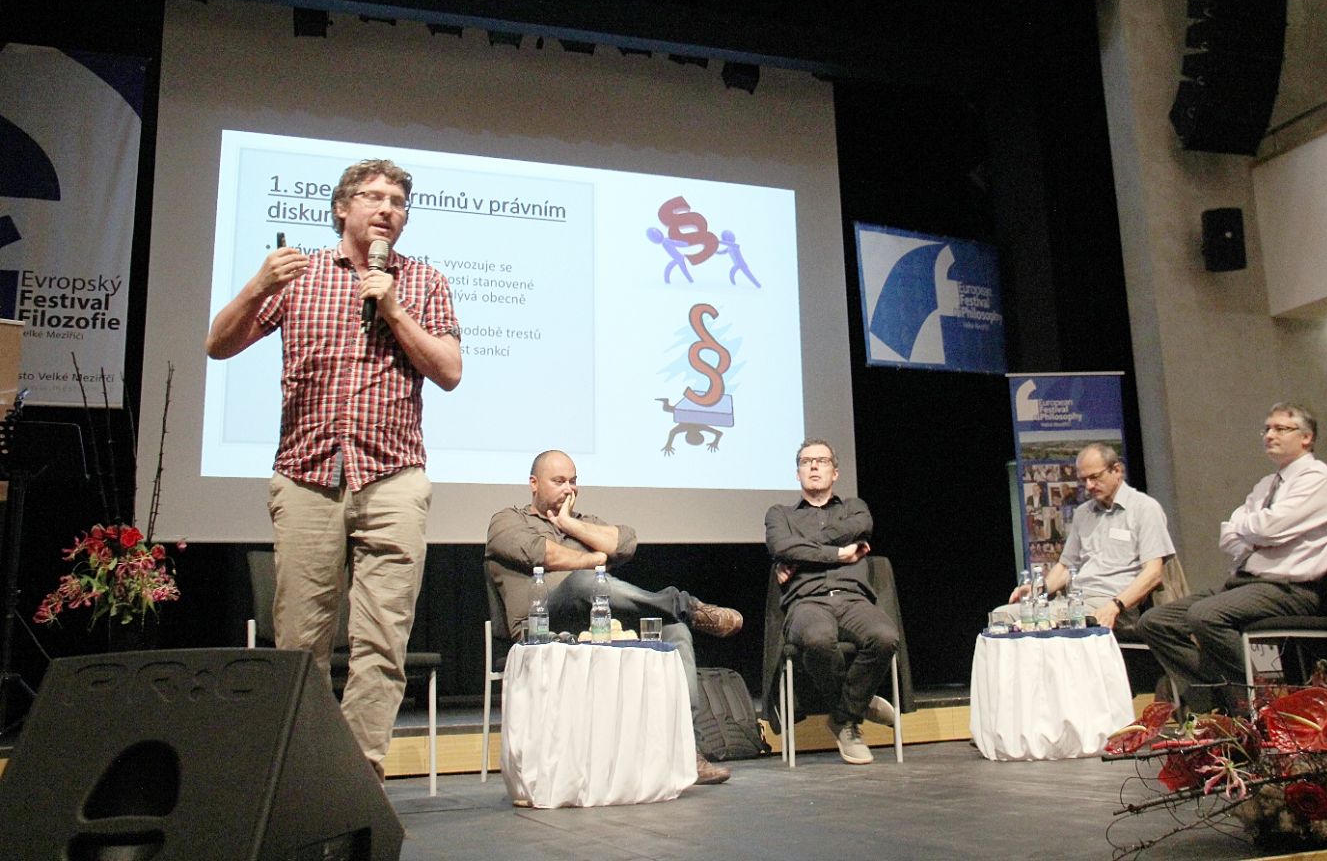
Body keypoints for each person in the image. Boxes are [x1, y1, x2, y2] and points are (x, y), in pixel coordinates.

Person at [205, 158, 462, 777]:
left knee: (383, 639)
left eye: (397, 201)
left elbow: (450, 371)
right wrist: (256, 286)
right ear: (342, 209)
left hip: (393, 476)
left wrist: (394, 309)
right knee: (301, 639)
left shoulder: (424, 280)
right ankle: (305, 771)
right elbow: (218, 344)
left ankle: (356, 774)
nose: (387, 209)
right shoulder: (300, 275)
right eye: (373, 197)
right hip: (307, 474)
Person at [486, 449, 744, 785]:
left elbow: (625, 542)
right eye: (559, 481)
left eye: (573, 481)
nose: (568, 489)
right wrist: (593, 559)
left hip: (600, 627)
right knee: (584, 581)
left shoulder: (583, 523)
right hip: (540, 627)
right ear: (534, 483)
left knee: (674, 630)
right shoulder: (508, 520)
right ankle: (687, 605)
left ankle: (688, 749)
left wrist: (569, 523)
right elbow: (542, 553)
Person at [1138, 403, 1327, 714]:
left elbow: (1269, 527)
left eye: (1280, 429)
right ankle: (1220, 696)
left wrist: (1250, 529)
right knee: (1156, 622)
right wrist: (1254, 531)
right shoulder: (1266, 485)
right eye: (1267, 429)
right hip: (1246, 584)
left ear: (1307, 438)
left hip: (1291, 589)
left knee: (1205, 615)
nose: (1269, 435)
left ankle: (1259, 703)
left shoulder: (1318, 479)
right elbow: (1229, 535)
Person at [765, 439, 898, 765]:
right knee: (817, 639)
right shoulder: (780, 514)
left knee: (884, 636)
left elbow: (861, 527)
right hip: (807, 602)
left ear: (835, 472)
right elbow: (780, 546)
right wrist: (838, 553)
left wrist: (800, 550)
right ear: (797, 473)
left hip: (853, 599)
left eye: (821, 461)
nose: (813, 466)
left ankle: (842, 715)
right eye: (806, 461)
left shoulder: (854, 508)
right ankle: (857, 706)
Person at [994, 443, 1175, 629]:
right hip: (1076, 600)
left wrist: (1115, 606)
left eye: (1095, 477)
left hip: (1113, 604)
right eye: (1083, 480)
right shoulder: (1083, 513)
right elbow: (1066, 566)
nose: (1089, 486)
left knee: (1043, 622)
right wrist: (1038, 590)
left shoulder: (1145, 509)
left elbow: (1153, 573)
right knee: (1003, 615)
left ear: (1117, 470)